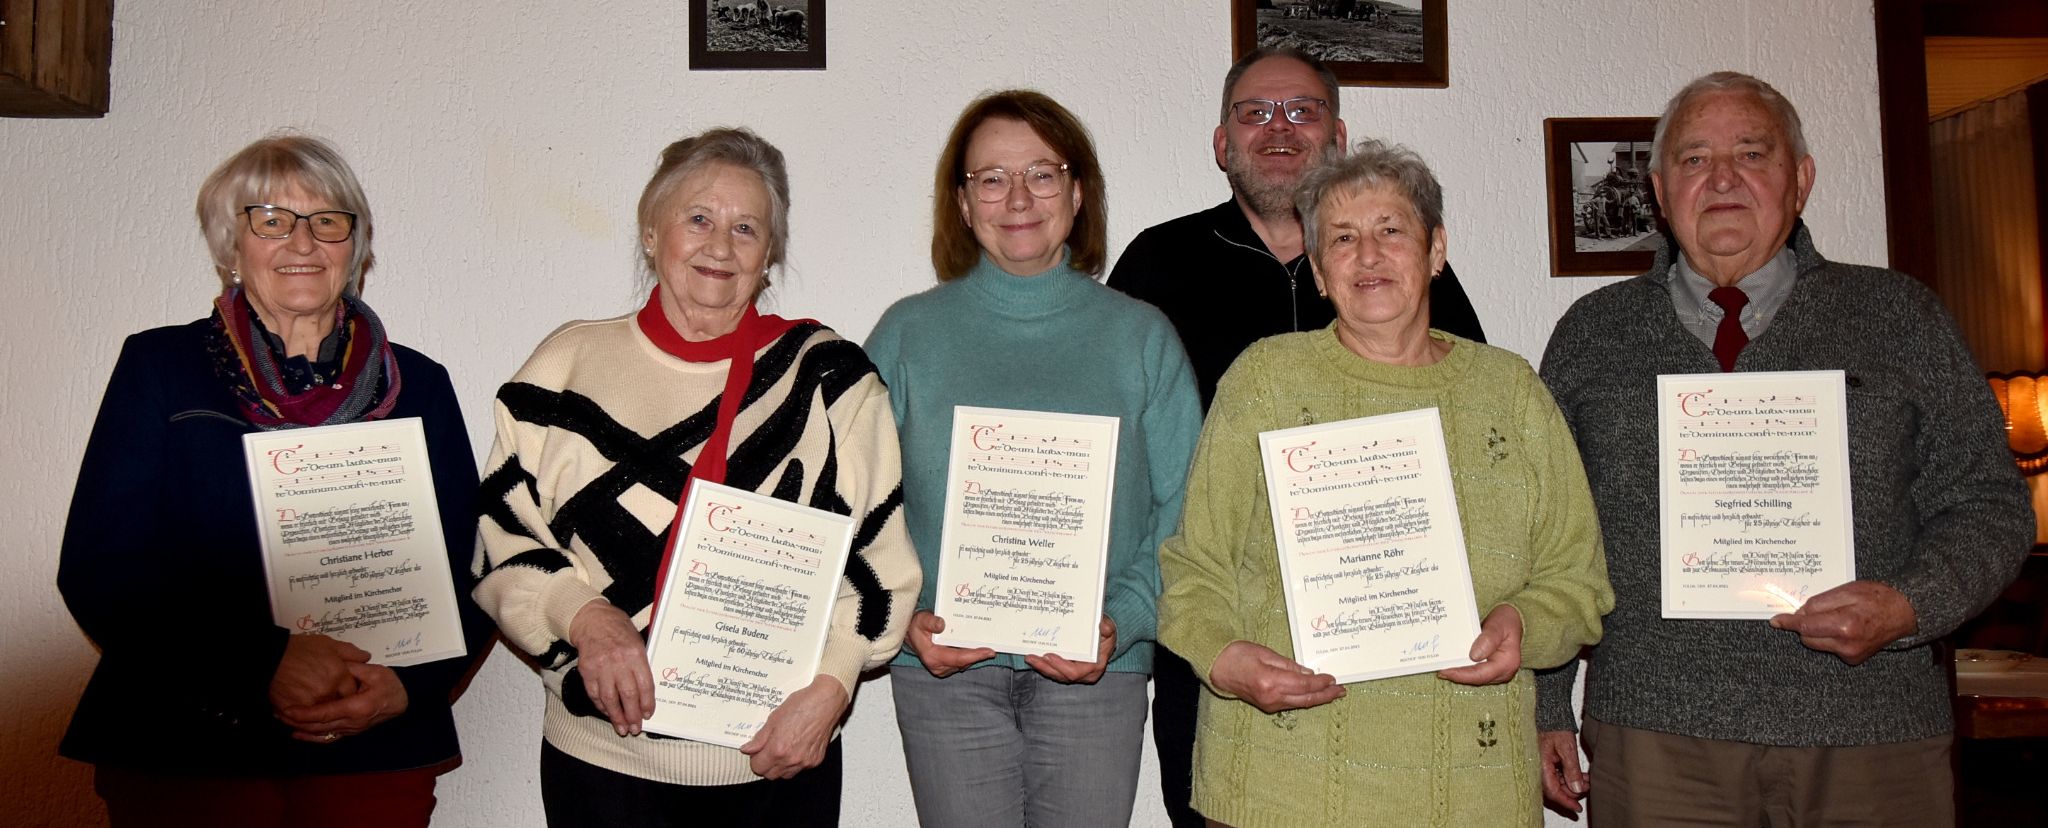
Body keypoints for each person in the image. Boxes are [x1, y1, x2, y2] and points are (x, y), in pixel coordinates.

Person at [1534, 71, 2033, 826]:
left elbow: (1990, 504)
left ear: (1799, 180)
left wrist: (1910, 605)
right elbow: (1551, 536)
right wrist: (1546, 704)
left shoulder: (1898, 315)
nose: (1723, 178)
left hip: (1871, 736)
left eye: (1752, 153)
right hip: (1657, 737)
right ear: (1662, 192)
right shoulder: (1592, 334)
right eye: (1696, 159)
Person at [471, 127, 921, 827]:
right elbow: (502, 540)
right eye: (698, 218)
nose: (721, 245)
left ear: (769, 254)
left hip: (776, 762)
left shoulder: (831, 380)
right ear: (651, 233)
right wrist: (586, 616)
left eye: (747, 228)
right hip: (602, 768)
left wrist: (832, 687)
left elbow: (879, 561)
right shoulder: (563, 369)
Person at [1157, 138, 1612, 827]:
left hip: (1471, 790)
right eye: (1342, 238)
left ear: (1435, 251)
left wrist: (1525, 623)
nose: (1367, 256)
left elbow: (1579, 579)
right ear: (1317, 270)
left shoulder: (1510, 391)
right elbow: (1195, 569)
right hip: (1282, 788)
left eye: (1390, 231)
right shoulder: (1265, 380)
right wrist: (1224, 660)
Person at [56, 134, 490, 827]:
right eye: (271, 220)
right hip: (191, 742)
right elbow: (100, 567)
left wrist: (409, 687)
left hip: (370, 743)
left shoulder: (418, 385)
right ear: (231, 246)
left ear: (356, 247)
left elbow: (475, 560)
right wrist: (262, 663)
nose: (304, 241)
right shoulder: (161, 367)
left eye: (328, 221)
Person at [1104, 49, 1487, 824]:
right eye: (1255, 113)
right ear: (1222, 143)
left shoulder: (1400, 271)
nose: (1278, 129)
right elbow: (1109, 448)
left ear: (1337, 135)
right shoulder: (1157, 264)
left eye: (1302, 111)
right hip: (1215, 630)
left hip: (1386, 619)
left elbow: (1472, 438)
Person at [866, 89, 1202, 828]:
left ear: (1078, 192)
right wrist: (905, 620)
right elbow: (858, 507)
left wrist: (1123, 620)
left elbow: (1186, 513)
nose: (1017, 197)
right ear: (962, 202)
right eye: (991, 177)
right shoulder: (907, 335)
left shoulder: (1141, 337)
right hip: (945, 672)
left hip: (1100, 672)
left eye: (1042, 174)